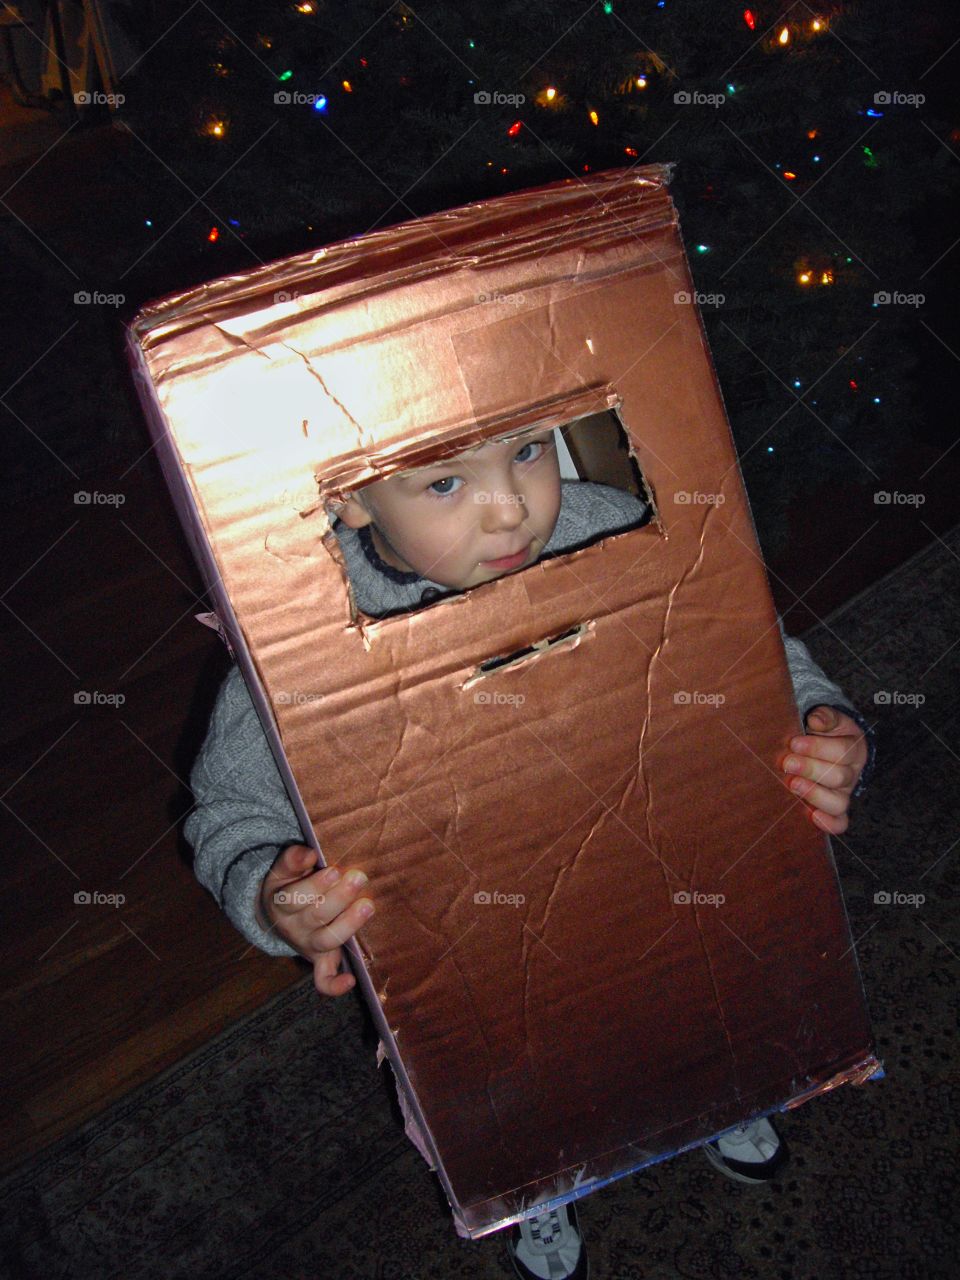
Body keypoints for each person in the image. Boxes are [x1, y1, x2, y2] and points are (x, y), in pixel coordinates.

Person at [184, 425, 873, 1280]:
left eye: (526, 452)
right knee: (511, 1099)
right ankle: (536, 1192)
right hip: (476, 957)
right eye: (444, 486)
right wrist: (270, 896)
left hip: (656, 887)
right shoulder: (299, 641)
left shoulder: (615, 526)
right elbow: (229, 813)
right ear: (350, 499)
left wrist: (818, 727)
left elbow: (752, 651)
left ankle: (719, 1096)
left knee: (698, 1008)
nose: (511, 510)